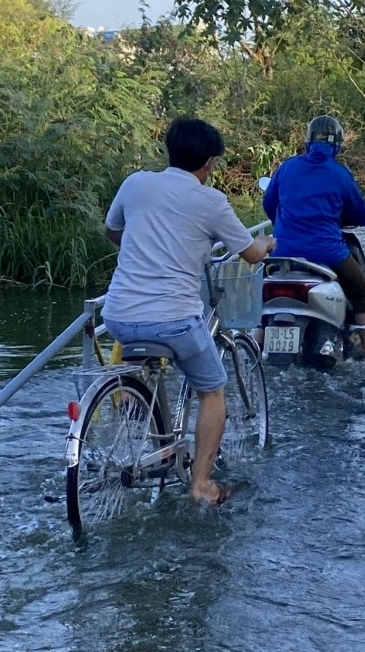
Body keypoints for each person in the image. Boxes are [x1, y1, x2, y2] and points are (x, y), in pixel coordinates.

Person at [102, 117, 276, 506]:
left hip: (117, 315)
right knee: (212, 391)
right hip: (175, 320)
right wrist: (265, 242)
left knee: (149, 363)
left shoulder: (136, 183)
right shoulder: (211, 201)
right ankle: (201, 484)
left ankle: (155, 439)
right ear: (210, 163)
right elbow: (249, 254)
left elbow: (113, 231)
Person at [261, 114, 365, 363]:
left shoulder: (287, 167)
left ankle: (258, 337)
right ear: (337, 146)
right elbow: (360, 213)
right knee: (363, 294)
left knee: (262, 293)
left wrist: (283, 226)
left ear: (307, 142)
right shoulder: (340, 174)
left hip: (283, 251)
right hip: (326, 253)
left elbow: (269, 203)